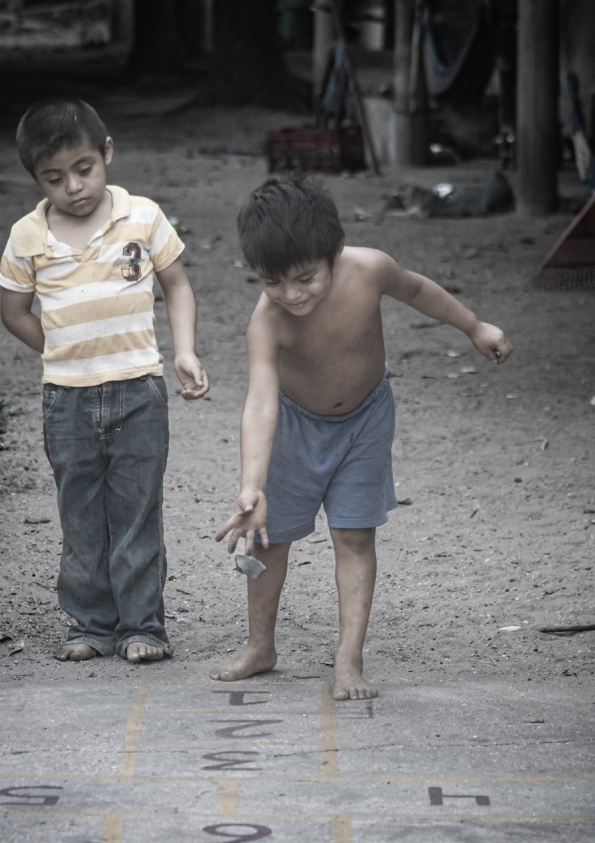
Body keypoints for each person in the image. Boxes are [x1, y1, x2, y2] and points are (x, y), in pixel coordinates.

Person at [213, 175, 512, 700]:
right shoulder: (267, 322)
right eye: (272, 282)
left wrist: (474, 327)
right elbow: (260, 402)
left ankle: (348, 659)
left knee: (354, 536)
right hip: (294, 426)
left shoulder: (369, 268)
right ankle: (261, 645)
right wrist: (251, 485)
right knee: (269, 538)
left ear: (335, 252)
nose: (291, 294)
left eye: (305, 278)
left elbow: (419, 291)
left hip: (366, 419)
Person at [0, 99, 209, 664]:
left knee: (138, 509)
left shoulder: (142, 216)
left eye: (84, 168)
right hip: (64, 399)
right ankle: (91, 626)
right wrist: (61, 346)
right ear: (36, 179)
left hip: (140, 389)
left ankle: (143, 626)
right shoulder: (27, 236)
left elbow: (178, 287)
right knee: (81, 514)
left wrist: (184, 350)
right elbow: (13, 310)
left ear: (107, 152)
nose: (73, 187)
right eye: (54, 177)